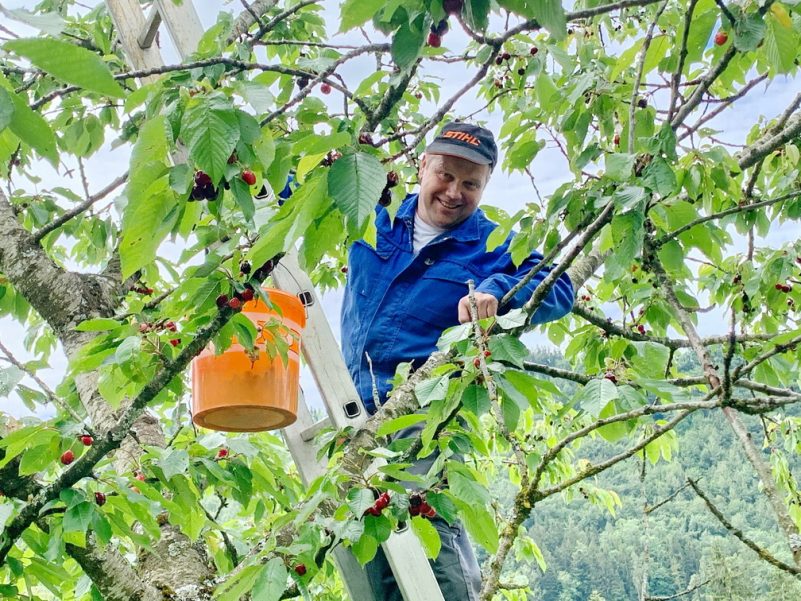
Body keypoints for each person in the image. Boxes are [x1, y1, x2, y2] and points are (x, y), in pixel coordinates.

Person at [340, 121, 575, 601]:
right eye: (445, 175)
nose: (454, 192)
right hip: (348, 408)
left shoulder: (493, 243)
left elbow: (559, 286)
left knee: (429, 539)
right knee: (362, 557)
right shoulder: (372, 213)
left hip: (420, 414)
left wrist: (496, 291)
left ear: (485, 185)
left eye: (471, 183)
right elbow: (289, 194)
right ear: (422, 166)